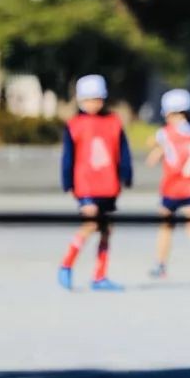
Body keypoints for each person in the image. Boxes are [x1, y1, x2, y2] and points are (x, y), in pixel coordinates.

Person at [58, 74, 132, 291]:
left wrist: (125, 175)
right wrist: (67, 181)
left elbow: (123, 152)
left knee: (106, 230)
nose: (93, 103)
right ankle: (67, 264)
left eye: (97, 99)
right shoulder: (75, 125)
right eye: (89, 99)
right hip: (86, 185)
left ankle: (100, 275)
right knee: (90, 225)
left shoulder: (113, 122)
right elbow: (68, 157)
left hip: (108, 185)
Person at [146, 89, 190, 281]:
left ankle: (160, 264)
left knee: (166, 227)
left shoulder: (165, 133)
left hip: (172, 188)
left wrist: (158, 150)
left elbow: (151, 157)